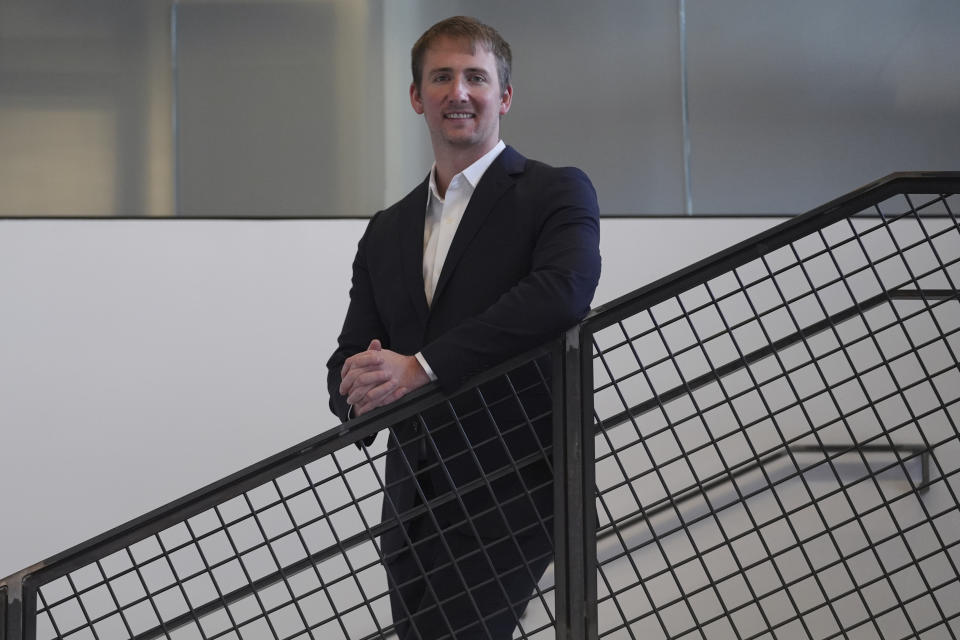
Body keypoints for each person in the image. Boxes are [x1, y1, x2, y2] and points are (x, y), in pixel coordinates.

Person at [327, 16, 601, 639]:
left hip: (509, 487)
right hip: (411, 505)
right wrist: (361, 384)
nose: (459, 91)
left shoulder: (555, 192)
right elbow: (348, 354)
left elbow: (562, 293)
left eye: (476, 77)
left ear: (503, 96)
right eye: (442, 77)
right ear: (417, 97)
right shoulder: (387, 229)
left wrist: (417, 369)